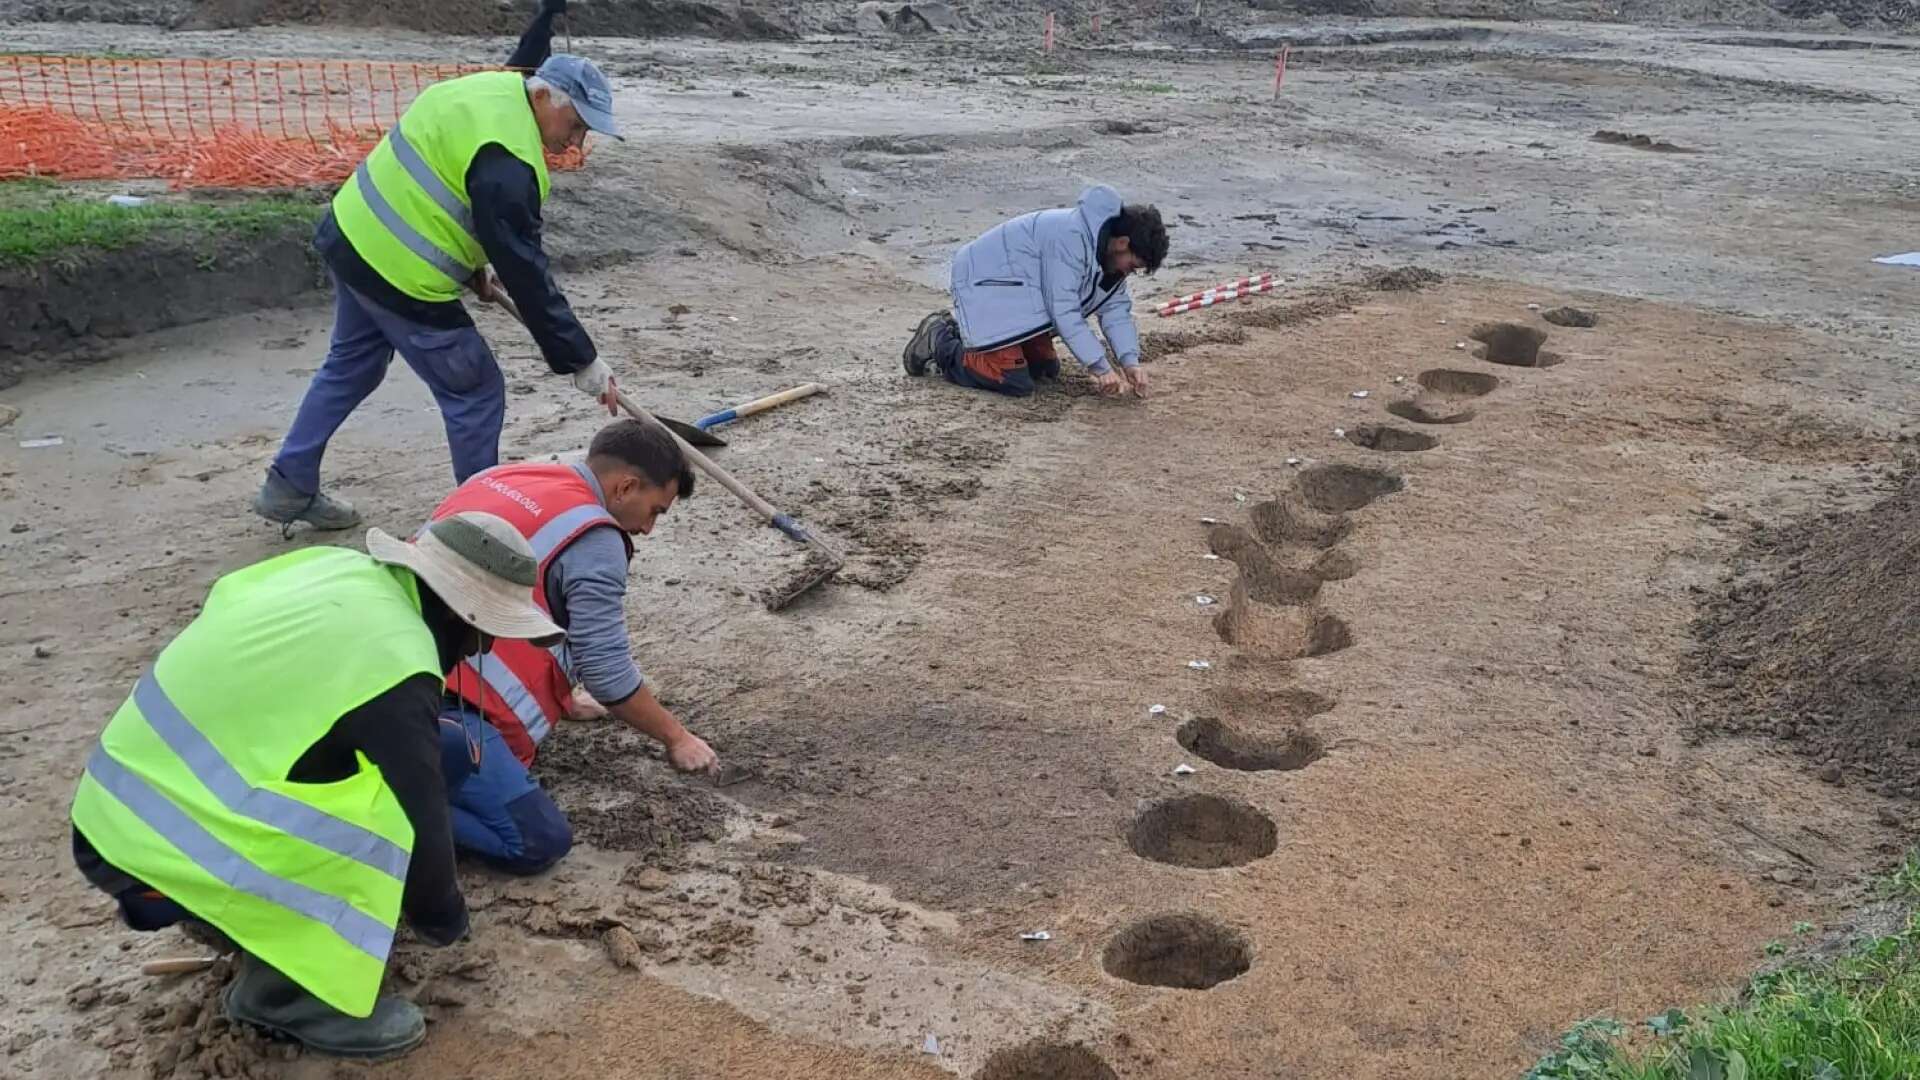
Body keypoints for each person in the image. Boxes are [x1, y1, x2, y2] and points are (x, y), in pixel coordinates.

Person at [68, 512, 566, 1059]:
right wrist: (442, 919)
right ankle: (284, 995)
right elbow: (419, 812)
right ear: (455, 610)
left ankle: (247, 919)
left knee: (439, 749)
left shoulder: (338, 570)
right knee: (381, 821)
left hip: (117, 803)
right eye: (484, 631)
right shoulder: (396, 660)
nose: (482, 650)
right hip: (151, 850)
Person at [252, 50, 625, 532]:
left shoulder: (485, 92)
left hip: (353, 233)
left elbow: (443, 179)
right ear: (542, 95)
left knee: (351, 366)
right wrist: (581, 359)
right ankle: (477, 524)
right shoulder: (509, 158)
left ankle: (289, 484)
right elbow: (526, 271)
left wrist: (472, 264)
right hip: (400, 273)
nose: (576, 141)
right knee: (475, 389)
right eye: (575, 124)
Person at [429, 418, 720, 875]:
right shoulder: (595, 540)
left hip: (386, 663)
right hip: (445, 706)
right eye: (656, 511)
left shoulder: (504, 476)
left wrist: (560, 697)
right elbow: (607, 671)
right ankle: (393, 813)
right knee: (535, 841)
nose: (648, 529)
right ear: (625, 486)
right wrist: (676, 737)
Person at [902, 185, 1168, 399]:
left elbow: (1115, 310)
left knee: (1044, 369)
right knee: (1013, 381)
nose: (1129, 273)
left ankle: (971, 337)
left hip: (1020, 294)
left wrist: (1129, 361)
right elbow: (1064, 311)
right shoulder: (1071, 237)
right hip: (983, 282)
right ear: (1122, 243)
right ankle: (939, 339)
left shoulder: (1108, 256)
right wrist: (1100, 367)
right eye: (1133, 265)